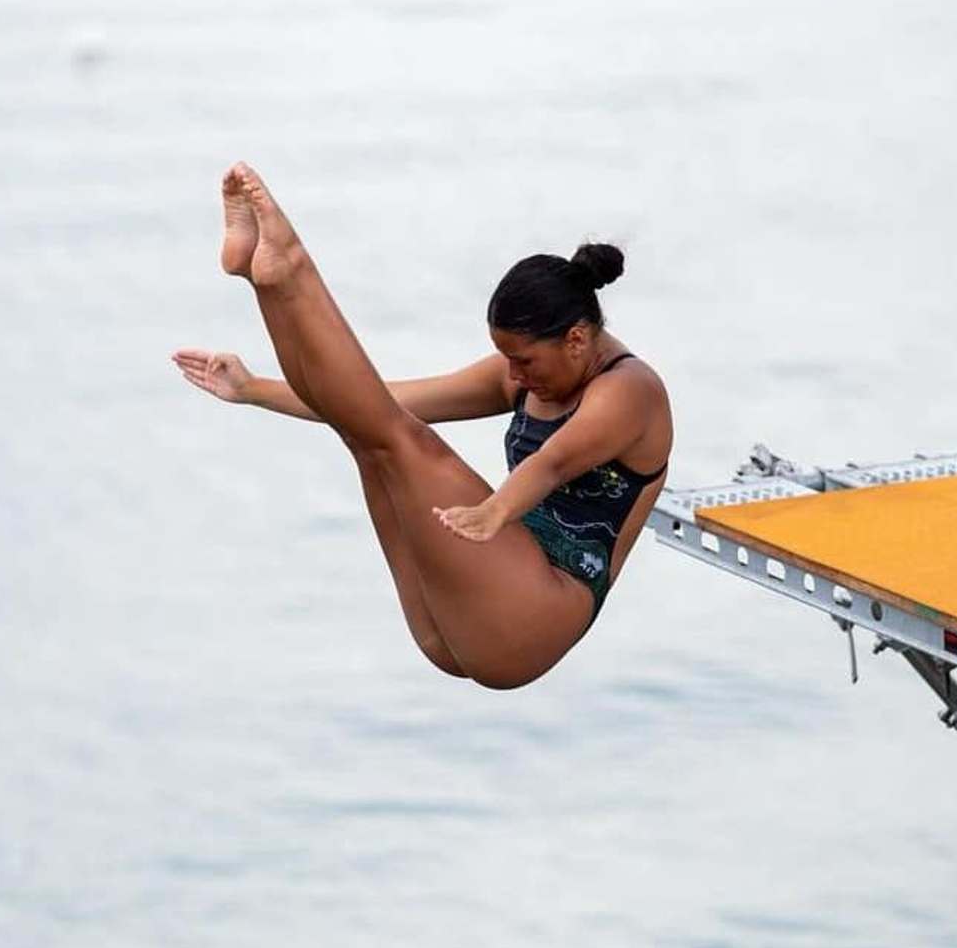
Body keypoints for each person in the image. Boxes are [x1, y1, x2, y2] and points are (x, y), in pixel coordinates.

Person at [173, 163, 673, 688]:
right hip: (463, 619)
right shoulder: (526, 374)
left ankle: (290, 266)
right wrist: (254, 390)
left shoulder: (629, 392)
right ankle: (267, 281)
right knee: (363, 431)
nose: (512, 373)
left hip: (539, 617)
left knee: (400, 438)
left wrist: (493, 511)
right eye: (505, 357)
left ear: (575, 340)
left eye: (523, 360)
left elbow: (553, 463)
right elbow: (382, 397)